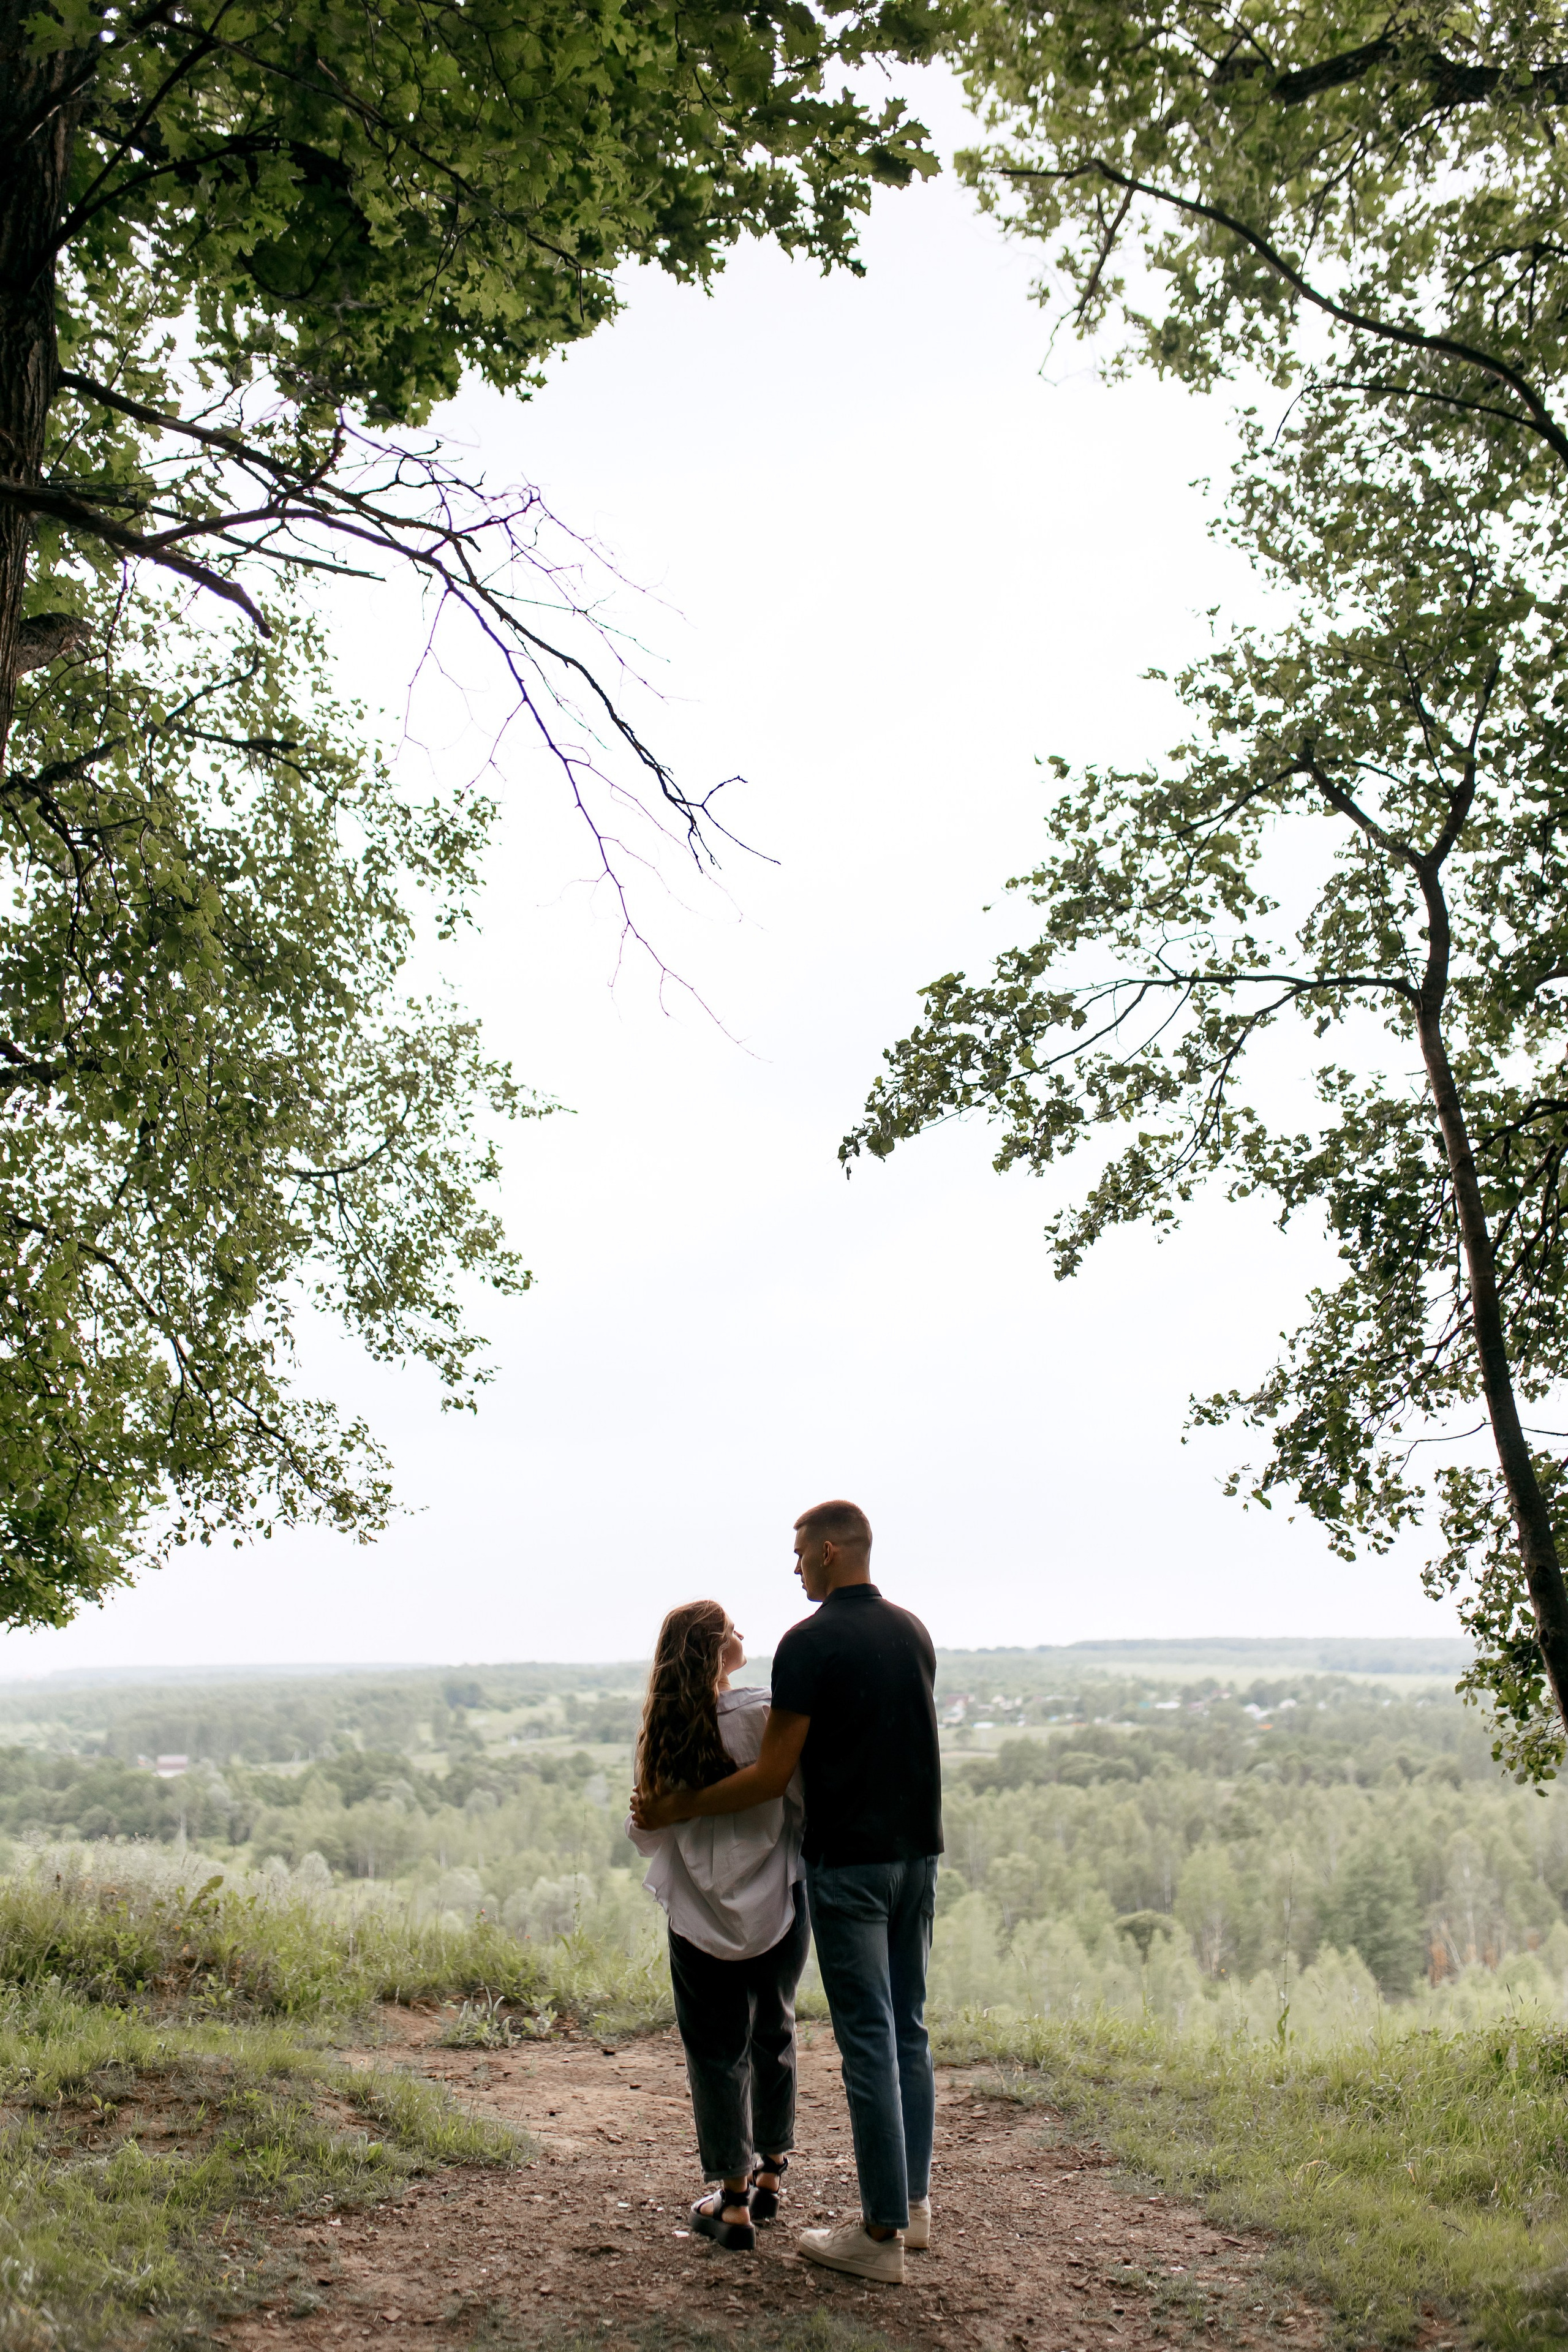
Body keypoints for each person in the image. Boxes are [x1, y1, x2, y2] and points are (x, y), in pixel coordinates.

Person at [630, 1501, 942, 2286]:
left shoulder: (805, 1647)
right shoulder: (912, 1631)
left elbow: (771, 1778)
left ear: (830, 1552)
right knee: (904, 2028)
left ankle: (873, 2236)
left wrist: (676, 1808)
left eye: (800, 1552)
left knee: (862, 2036)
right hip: (915, 1855)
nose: (794, 1565)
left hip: (847, 1868)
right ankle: (910, 2205)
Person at [625, 1599, 809, 2252]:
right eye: (731, 1628)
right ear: (711, 1649)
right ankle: (772, 2173)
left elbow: (648, 1829)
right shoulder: (763, 1713)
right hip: (779, 1898)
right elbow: (800, 1800)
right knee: (774, 2027)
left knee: (713, 2050)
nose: (741, 1635)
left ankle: (730, 2200)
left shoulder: (666, 1726)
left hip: (697, 1912)